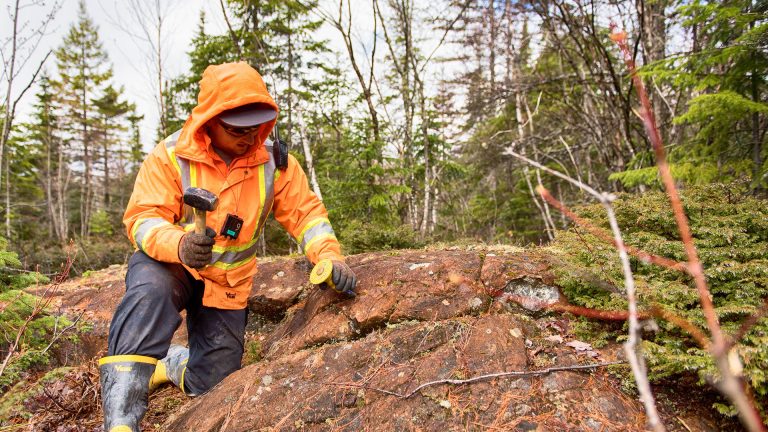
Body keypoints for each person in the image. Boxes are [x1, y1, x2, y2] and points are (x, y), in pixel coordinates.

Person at [98, 62, 357, 432]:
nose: (248, 136)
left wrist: (329, 256)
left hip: (227, 286)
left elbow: (307, 216)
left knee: (211, 384)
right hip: (174, 266)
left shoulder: (276, 162)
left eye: (255, 126)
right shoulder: (171, 155)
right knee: (148, 292)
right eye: (237, 129)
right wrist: (180, 244)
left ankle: (171, 364)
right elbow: (142, 218)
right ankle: (120, 420)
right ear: (210, 120)